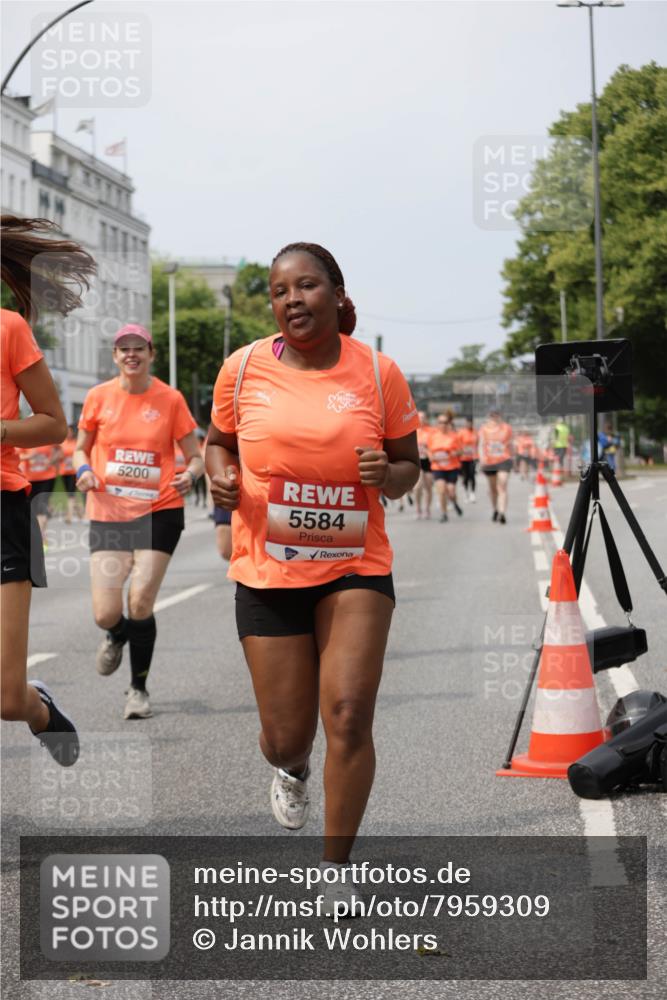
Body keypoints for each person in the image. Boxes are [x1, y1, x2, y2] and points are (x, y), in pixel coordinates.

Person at [206, 242, 420, 903]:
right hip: (266, 571)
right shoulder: (240, 370)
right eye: (279, 291)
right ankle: (290, 767)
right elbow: (216, 443)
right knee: (285, 736)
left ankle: (335, 872)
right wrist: (216, 471)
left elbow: (409, 467)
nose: (292, 299)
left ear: (336, 292)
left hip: (355, 565)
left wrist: (389, 475)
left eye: (306, 286)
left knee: (349, 715)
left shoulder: (378, 372)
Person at [1, 215, 96, 766]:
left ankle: (40, 710)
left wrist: (1, 430)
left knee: (6, 698)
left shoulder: (10, 329)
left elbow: (54, 424)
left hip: (3, 511)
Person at [74, 323, 203, 720]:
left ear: (150, 354)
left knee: (140, 600)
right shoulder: (98, 398)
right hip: (109, 513)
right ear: (115, 357)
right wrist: (83, 471)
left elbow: (195, 456)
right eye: (123, 349)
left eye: (139, 348)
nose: (131, 354)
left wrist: (191, 475)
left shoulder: (170, 399)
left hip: (159, 509)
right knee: (105, 611)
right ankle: (116, 634)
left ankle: (139, 690)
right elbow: (80, 449)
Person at [19, 443, 61, 540]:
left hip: (48, 477)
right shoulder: (25, 439)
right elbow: (18, 456)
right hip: (30, 479)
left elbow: (59, 451)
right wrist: (29, 456)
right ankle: (38, 535)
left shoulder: (47, 438)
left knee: (42, 505)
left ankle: (41, 536)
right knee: (33, 508)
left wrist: (51, 461)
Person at [478, 409, 513, 524]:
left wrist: (514, 458)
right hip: (489, 462)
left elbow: (511, 443)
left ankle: (502, 512)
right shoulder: (484, 429)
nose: (494, 418)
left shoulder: (507, 428)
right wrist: (481, 459)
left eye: (496, 415)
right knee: (493, 489)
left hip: (504, 460)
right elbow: (481, 444)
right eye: (492, 416)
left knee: (502, 485)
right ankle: (495, 509)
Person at [428, 410, 462, 522]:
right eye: (440, 422)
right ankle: (444, 513)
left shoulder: (454, 436)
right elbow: (429, 449)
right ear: (437, 423)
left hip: (452, 467)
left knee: (451, 491)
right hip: (438, 467)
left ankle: (454, 502)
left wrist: (454, 453)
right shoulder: (433, 436)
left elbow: (461, 451)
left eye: (445, 422)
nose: (442, 424)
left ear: (448, 423)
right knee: (441, 490)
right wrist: (431, 456)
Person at [59, 425, 84, 523]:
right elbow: (58, 457)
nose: (68, 433)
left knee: (71, 494)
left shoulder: (76, 444)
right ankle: (80, 513)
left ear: (72, 433)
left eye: (70, 431)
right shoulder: (61, 444)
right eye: (67, 431)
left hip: (74, 472)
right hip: (64, 472)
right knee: (69, 494)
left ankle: (69, 516)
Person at [414, 410, 434, 519]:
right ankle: (418, 509)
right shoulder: (413, 431)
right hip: (417, 461)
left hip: (428, 461)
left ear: (426, 419)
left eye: (423, 417)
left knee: (428, 486)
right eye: (419, 417)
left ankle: (427, 508)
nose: (421, 419)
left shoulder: (431, 431)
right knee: (417, 487)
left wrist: (428, 450)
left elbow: (435, 444)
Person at [458, 416, 478, 502]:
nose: (469, 424)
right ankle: (466, 492)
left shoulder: (476, 432)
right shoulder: (461, 432)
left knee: (472, 475)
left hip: (473, 458)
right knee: (465, 476)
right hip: (463, 458)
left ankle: (472, 493)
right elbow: (457, 444)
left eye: (470, 423)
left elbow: (478, 444)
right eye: (467, 422)